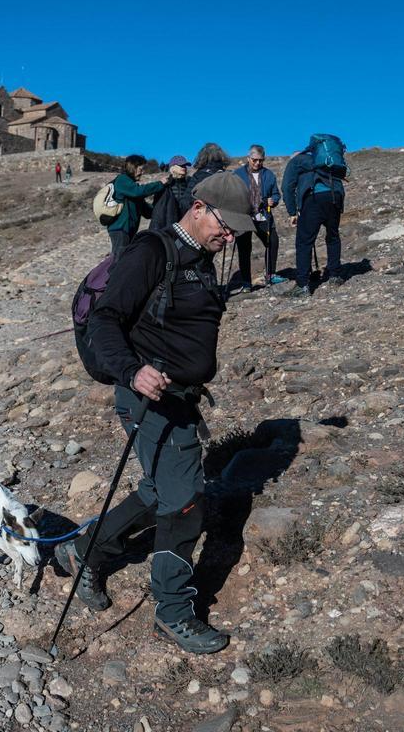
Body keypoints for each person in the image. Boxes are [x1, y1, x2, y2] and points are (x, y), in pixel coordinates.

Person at [56, 172, 255, 656]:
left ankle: (83, 550)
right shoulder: (152, 252)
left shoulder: (204, 259)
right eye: (225, 226)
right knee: (185, 500)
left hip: (180, 398)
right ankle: (172, 611)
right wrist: (131, 371)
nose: (229, 236)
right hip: (146, 396)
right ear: (200, 207)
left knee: (160, 488)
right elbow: (106, 320)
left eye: (235, 231)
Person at [282, 136, 346, 297]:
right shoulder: (326, 162)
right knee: (333, 236)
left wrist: (292, 212)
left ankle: (303, 285)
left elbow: (287, 187)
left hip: (314, 199)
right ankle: (335, 275)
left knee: (304, 241)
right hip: (335, 196)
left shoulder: (295, 162)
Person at [231, 144, 284, 289]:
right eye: (254, 160)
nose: (257, 163)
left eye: (260, 160)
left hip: (263, 215)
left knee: (272, 241)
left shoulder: (269, 175)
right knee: (244, 249)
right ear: (248, 158)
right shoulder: (237, 174)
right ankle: (246, 282)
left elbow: (276, 194)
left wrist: (273, 200)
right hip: (244, 217)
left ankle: (270, 275)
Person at [105, 154, 167, 257]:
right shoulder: (122, 180)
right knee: (119, 261)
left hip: (128, 231)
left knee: (124, 260)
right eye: (141, 169)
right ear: (133, 167)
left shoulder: (132, 188)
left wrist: (161, 202)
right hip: (120, 229)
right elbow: (138, 192)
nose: (142, 172)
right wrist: (160, 184)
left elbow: (147, 212)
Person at [149, 155, 194, 232]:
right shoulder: (164, 185)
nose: (184, 167)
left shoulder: (190, 183)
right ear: (172, 168)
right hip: (166, 226)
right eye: (181, 165)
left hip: (185, 225)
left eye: (185, 165)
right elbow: (157, 209)